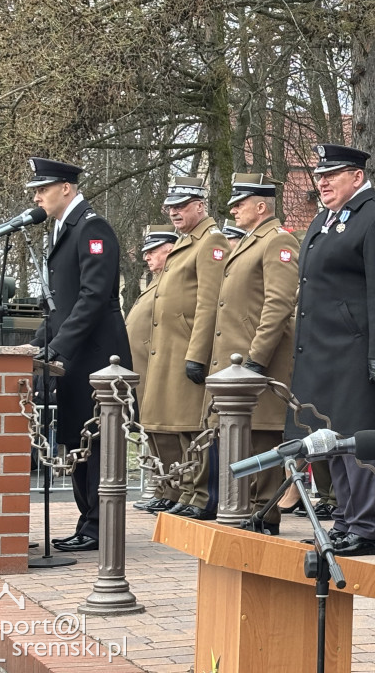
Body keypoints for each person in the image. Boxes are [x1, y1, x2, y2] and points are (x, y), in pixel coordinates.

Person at [285, 143, 375, 557]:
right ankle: (344, 521)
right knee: (331, 440)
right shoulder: (325, 220)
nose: (322, 183)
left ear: (357, 177)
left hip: (357, 351)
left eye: (331, 175)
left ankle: (366, 528)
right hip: (323, 351)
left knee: (356, 441)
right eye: (319, 177)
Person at [26, 157, 131, 553]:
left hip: (98, 359)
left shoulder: (91, 228)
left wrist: (58, 349)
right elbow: (60, 306)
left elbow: (91, 299)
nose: (38, 197)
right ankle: (88, 522)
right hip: (73, 358)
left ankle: (100, 527)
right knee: (77, 441)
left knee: (97, 445)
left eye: (43, 189)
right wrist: (36, 346)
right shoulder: (62, 229)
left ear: (66, 188)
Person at [205, 173, 300, 536]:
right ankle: (247, 509)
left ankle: (265, 513)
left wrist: (257, 359)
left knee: (262, 438)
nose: (233, 209)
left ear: (261, 206)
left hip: (258, 364)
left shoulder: (277, 242)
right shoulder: (249, 242)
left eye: (240, 203)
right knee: (243, 440)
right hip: (237, 365)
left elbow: (278, 304)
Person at [141, 177, 229, 520]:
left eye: (182, 206)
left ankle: (202, 494)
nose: (175, 212)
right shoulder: (186, 242)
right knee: (174, 426)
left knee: (194, 426)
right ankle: (185, 489)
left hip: (189, 348)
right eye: (171, 207)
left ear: (200, 205)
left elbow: (210, 302)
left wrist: (197, 353)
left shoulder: (211, 241)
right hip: (170, 349)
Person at [128, 224, 178, 513]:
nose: (147, 257)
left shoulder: (169, 284)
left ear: (169, 251)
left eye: (152, 251)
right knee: (153, 436)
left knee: (166, 436)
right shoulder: (155, 282)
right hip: (144, 371)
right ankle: (162, 488)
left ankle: (172, 490)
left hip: (158, 369)